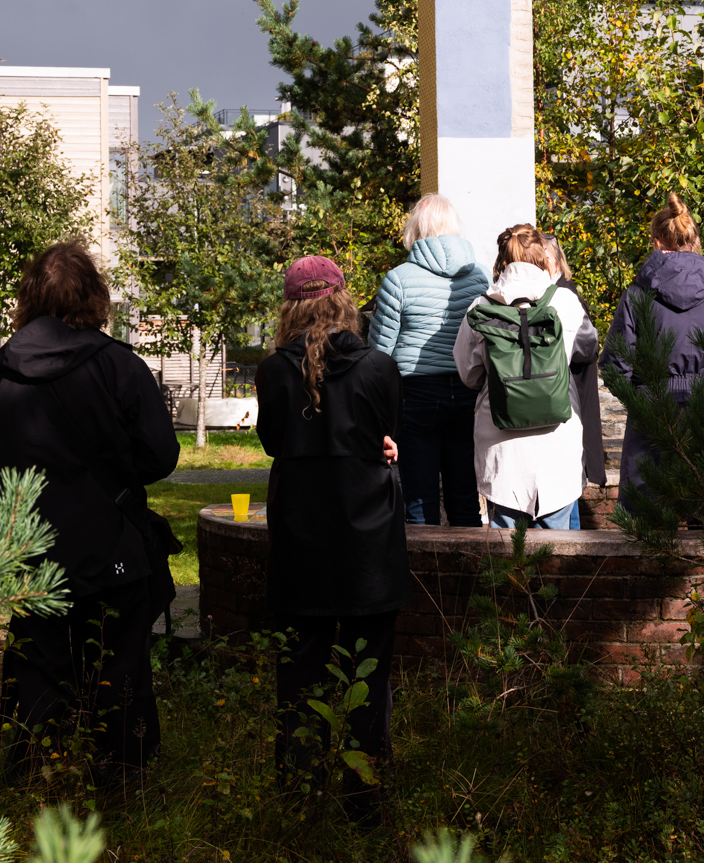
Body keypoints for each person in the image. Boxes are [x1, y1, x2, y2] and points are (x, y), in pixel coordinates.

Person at [0, 241, 180, 782]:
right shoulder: (118, 365)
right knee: (119, 661)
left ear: (29, 297)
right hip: (109, 544)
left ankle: (31, 773)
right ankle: (121, 778)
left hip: (34, 543)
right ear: (94, 296)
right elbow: (160, 455)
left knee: (38, 662)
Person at [256, 255, 408, 813]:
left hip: (302, 539)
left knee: (299, 678)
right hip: (368, 541)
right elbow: (390, 433)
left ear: (291, 307)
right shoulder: (379, 367)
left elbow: (273, 442)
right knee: (368, 681)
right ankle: (366, 802)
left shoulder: (274, 370)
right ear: (343, 300)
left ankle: (300, 800)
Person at [453, 224, 597, 529]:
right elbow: (587, 349)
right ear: (542, 259)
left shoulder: (480, 308)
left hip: (501, 453)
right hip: (557, 449)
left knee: (507, 561)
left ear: (502, 262)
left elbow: (468, 373)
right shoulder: (566, 303)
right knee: (559, 560)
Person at [605, 194, 704, 497]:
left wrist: (640, 397)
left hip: (654, 408)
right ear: (695, 241)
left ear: (657, 243)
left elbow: (615, 364)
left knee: (648, 525)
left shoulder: (636, 296)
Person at [368, 194, 491, 526]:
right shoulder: (480, 278)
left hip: (417, 396)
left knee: (419, 500)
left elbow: (379, 353)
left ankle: (423, 576)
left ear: (416, 229)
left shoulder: (398, 279)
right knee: (465, 498)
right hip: (468, 391)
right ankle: (468, 575)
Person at [541, 234, 607, 497]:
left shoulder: (565, 293)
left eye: (543, 257)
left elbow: (589, 346)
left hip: (571, 389)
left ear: (555, 259)